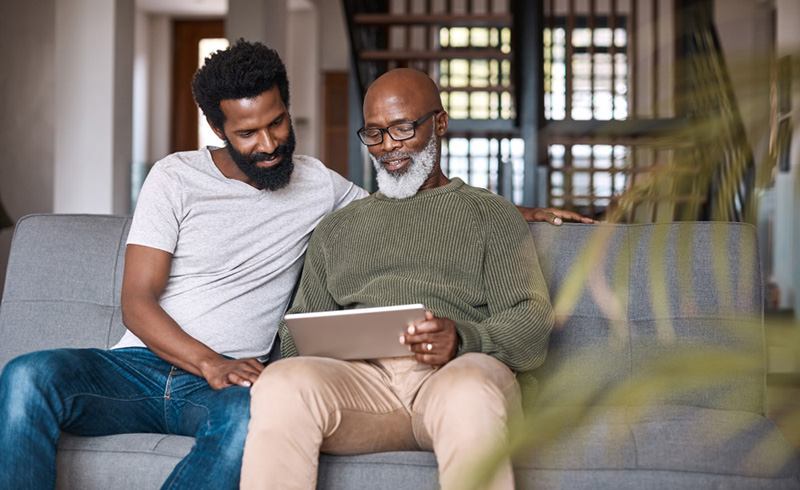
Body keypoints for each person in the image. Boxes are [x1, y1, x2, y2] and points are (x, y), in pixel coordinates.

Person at [0, 40, 585, 489]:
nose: (268, 144)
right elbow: (140, 301)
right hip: (150, 367)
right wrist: (222, 363)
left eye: (276, 123)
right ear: (218, 129)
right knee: (27, 376)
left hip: (271, 380)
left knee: (248, 413)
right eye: (247, 133)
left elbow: (419, 204)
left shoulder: (322, 188)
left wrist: (518, 212)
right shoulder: (177, 178)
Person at [240, 68, 555, 490]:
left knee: (469, 391)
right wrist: (334, 342)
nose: (388, 146)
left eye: (403, 129)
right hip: (363, 391)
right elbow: (295, 336)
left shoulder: (490, 214)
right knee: (279, 383)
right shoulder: (337, 228)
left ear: (439, 123)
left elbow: (531, 323)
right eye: (374, 134)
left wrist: (462, 339)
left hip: (455, 378)